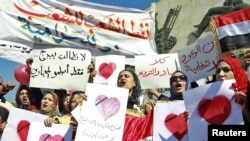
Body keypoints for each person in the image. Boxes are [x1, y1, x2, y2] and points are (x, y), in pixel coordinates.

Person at [215, 57, 249, 125]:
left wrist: (246, 107)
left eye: (226, 70)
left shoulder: (248, 93)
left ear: (237, 71)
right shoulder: (211, 99)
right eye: (217, 71)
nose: (220, 74)